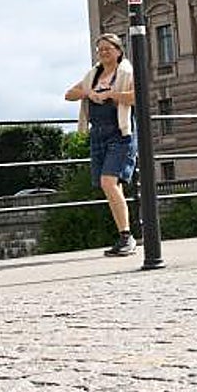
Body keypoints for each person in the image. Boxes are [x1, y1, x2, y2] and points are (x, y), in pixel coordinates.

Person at [65, 33, 139, 257]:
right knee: (109, 185)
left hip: (120, 132)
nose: (103, 52)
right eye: (100, 49)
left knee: (109, 182)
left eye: (108, 48)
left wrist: (111, 94)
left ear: (118, 51)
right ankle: (124, 234)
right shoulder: (93, 75)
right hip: (98, 133)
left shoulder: (126, 73)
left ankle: (127, 236)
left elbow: (137, 96)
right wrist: (89, 93)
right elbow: (69, 94)